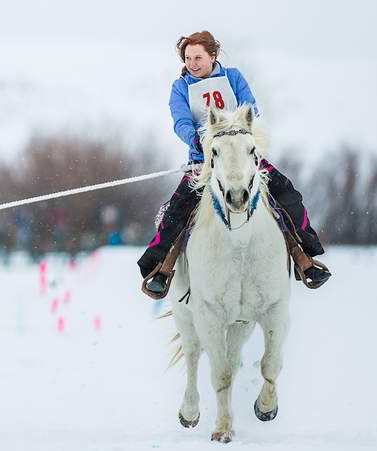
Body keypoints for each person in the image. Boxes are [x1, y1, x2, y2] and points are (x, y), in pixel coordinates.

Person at [137, 31, 331, 297]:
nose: (193, 63)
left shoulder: (233, 77)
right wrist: (198, 139)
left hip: (244, 158)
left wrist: (237, 132)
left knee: (287, 194)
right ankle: (160, 267)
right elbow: (181, 121)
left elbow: (251, 108)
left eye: (198, 57)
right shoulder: (180, 87)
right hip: (204, 162)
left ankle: (304, 258)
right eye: (188, 58)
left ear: (212, 56)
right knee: (177, 210)